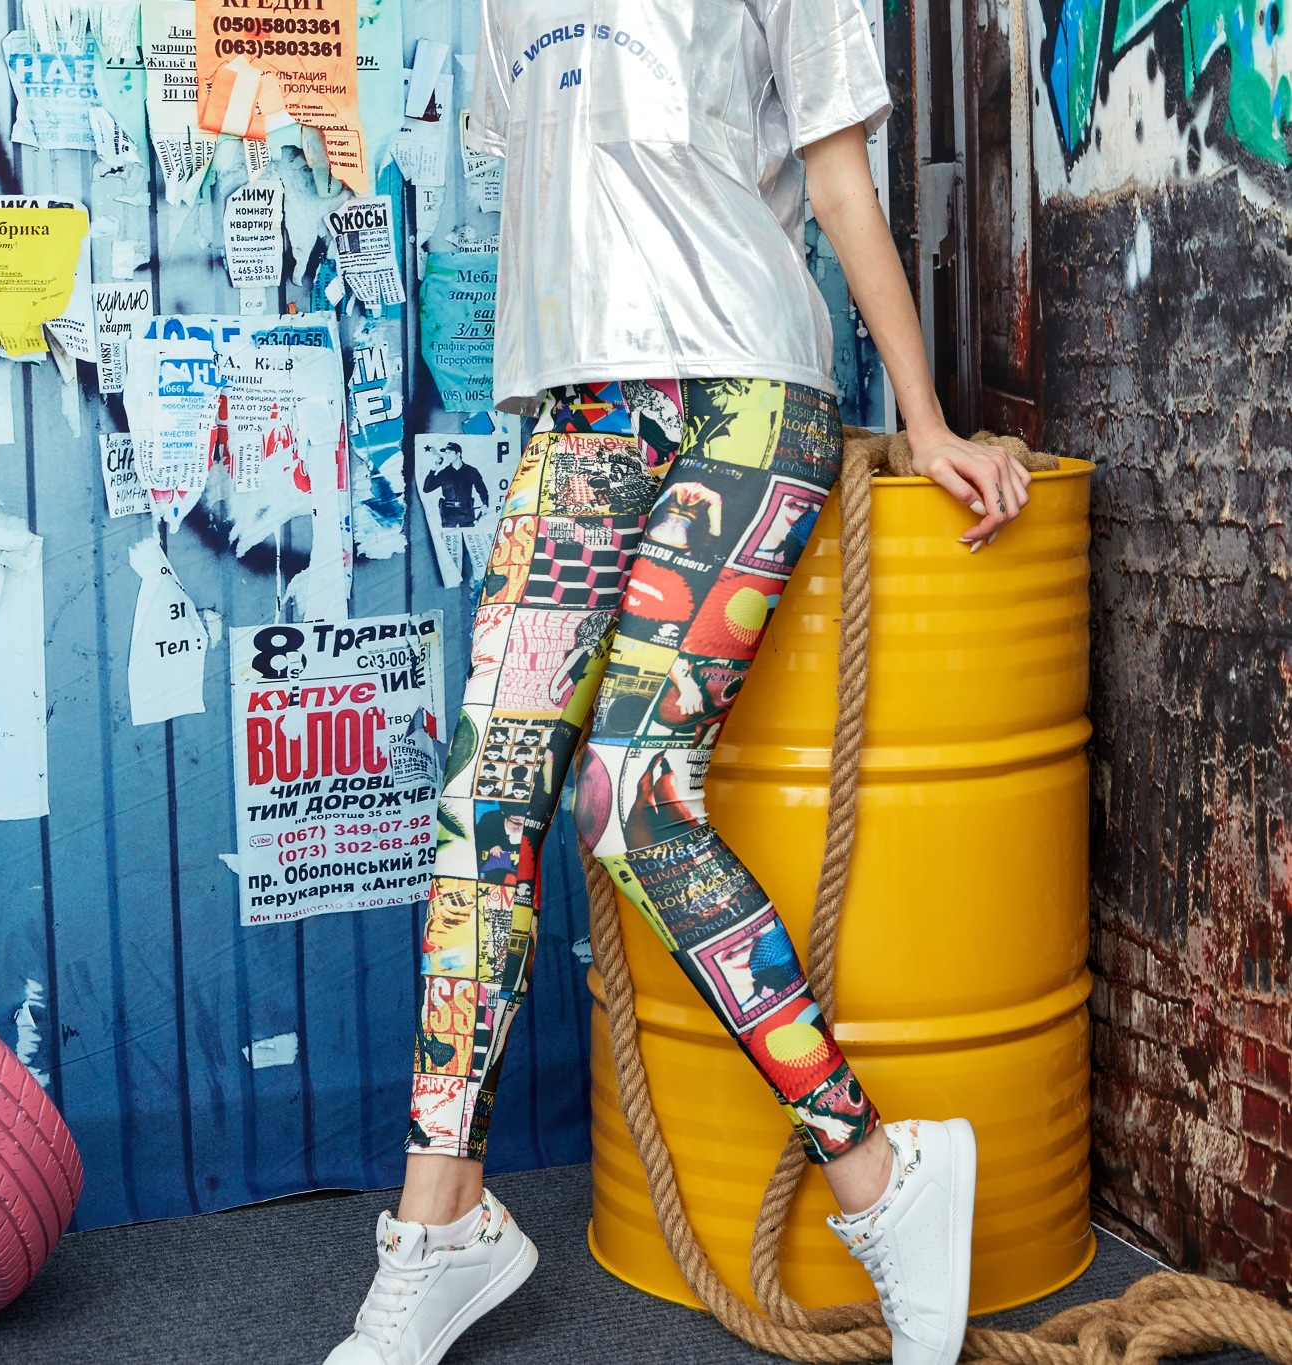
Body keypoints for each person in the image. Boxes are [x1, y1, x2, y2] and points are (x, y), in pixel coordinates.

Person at [326, 3, 1032, 1362]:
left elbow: (836, 176)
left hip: (748, 394)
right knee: (482, 805)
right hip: (581, 411)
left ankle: (879, 1174)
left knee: (630, 801)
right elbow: (537, 181)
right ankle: (439, 1221)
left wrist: (925, 416)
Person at [423, 440, 490, 527]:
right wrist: (433, 470)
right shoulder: (444, 473)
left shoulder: (471, 471)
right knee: (449, 535)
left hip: (466, 512)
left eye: (449, 453)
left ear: (458, 454)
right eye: (445, 453)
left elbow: (482, 489)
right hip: (448, 514)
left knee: (469, 534)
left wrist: (485, 504)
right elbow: (427, 489)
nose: (446, 456)